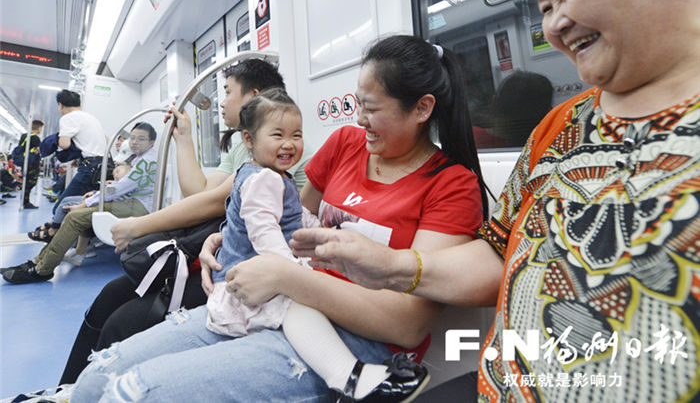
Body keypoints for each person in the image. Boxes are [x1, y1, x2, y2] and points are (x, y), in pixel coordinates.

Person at [291, 0, 700, 401]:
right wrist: (393, 265)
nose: (555, 24)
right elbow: (496, 253)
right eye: (544, 8)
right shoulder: (561, 126)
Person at [69, 35, 487, 402]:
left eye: (371, 108)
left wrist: (288, 278)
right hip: (272, 302)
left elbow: (407, 324)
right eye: (357, 103)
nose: (358, 118)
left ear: (422, 108)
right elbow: (286, 218)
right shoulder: (346, 144)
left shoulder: (452, 185)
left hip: (350, 339)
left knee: (130, 393)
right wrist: (231, 237)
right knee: (95, 380)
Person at [59, 58, 312, 384]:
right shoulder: (241, 147)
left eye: (228, 92)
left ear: (253, 96)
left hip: (238, 267)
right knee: (109, 296)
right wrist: (184, 138)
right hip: (217, 250)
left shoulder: (278, 155)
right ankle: (65, 389)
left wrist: (138, 225)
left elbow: (211, 203)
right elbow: (201, 190)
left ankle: (86, 388)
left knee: (121, 323)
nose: (222, 101)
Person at [1, 122, 159, 284]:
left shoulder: (146, 163)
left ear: (151, 142)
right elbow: (125, 186)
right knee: (74, 213)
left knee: (74, 217)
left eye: (140, 139)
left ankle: (43, 269)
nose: (134, 142)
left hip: (138, 207)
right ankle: (37, 262)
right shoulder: (141, 159)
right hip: (131, 202)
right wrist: (99, 193)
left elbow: (118, 189)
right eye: (132, 138)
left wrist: (88, 202)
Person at [52, 89, 107, 211]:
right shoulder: (92, 118)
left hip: (89, 169)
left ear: (60, 105)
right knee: (89, 206)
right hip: (104, 166)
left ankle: (53, 229)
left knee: (60, 208)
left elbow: (64, 144)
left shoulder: (68, 118)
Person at [14, 119, 45, 209]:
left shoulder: (24, 136)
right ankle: (25, 202)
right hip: (33, 163)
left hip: (25, 162)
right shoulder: (35, 138)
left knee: (26, 180)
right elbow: (38, 150)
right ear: (38, 128)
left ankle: (24, 200)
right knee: (31, 182)